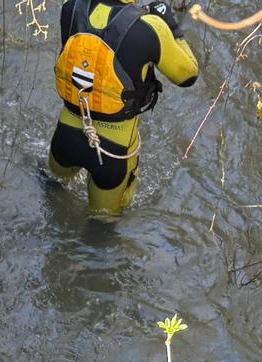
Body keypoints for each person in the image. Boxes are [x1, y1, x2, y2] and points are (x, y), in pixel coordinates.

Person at [48, 0, 200, 216]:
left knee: (52, 190)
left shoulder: (72, 7)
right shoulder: (150, 27)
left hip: (65, 136)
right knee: (102, 226)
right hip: (113, 153)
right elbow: (188, 76)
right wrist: (172, 27)